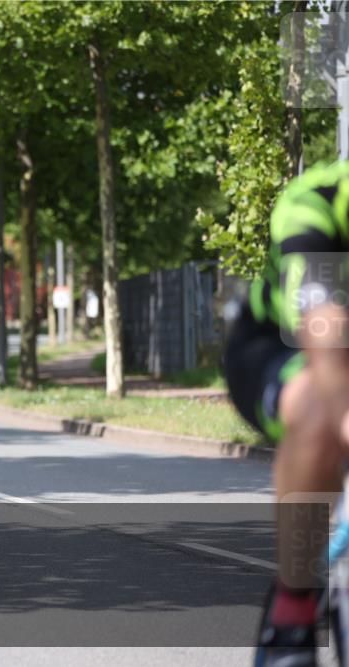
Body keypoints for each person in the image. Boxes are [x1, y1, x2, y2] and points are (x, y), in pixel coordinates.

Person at [223, 160, 349, 666]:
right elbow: (324, 334)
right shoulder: (314, 200)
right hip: (279, 349)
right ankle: (295, 599)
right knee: (324, 407)